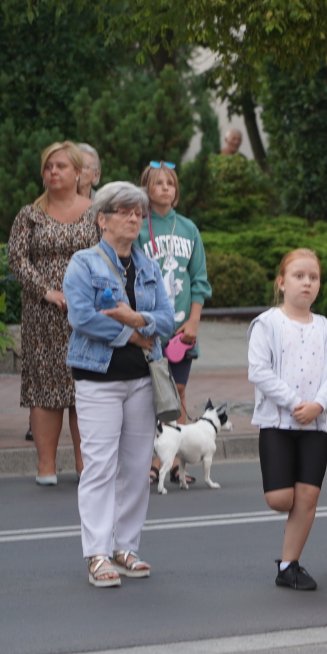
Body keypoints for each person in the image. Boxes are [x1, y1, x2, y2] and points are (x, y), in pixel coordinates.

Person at [63, 182, 175, 588]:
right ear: (102, 219)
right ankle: (97, 553)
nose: (133, 219)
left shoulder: (147, 265)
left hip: (143, 379)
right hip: (98, 379)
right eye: (124, 211)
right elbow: (81, 317)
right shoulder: (83, 263)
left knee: (134, 467)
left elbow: (168, 318)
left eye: (138, 213)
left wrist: (136, 319)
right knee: (99, 467)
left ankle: (125, 546)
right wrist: (131, 332)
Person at [248, 249, 327, 591]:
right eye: (299, 276)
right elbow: (258, 371)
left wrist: (319, 405)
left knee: (307, 498)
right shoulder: (267, 324)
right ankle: (288, 555)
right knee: (281, 499)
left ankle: (289, 565)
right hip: (278, 423)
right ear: (281, 282)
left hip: (315, 426)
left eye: (313, 277)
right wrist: (294, 403)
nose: (307, 283)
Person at [8, 142, 99, 486]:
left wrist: (86, 295)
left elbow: (110, 256)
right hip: (42, 316)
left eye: (61, 166)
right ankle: (46, 468)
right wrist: (47, 291)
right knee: (46, 391)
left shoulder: (98, 212)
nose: (54, 172)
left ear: (79, 173)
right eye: (48, 167)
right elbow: (17, 259)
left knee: (84, 392)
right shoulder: (29, 214)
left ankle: (85, 467)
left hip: (87, 317)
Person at [137, 161, 211, 486]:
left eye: (170, 183)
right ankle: (152, 459)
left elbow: (199, 280)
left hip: (182, 330)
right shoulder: (137, 226)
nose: (165, 188)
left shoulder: (188, 228)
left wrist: (194, 320)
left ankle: (176, 463)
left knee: (178, 393)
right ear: (146, 189)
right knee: (149, 395)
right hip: (150, 329)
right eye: (158, 183)